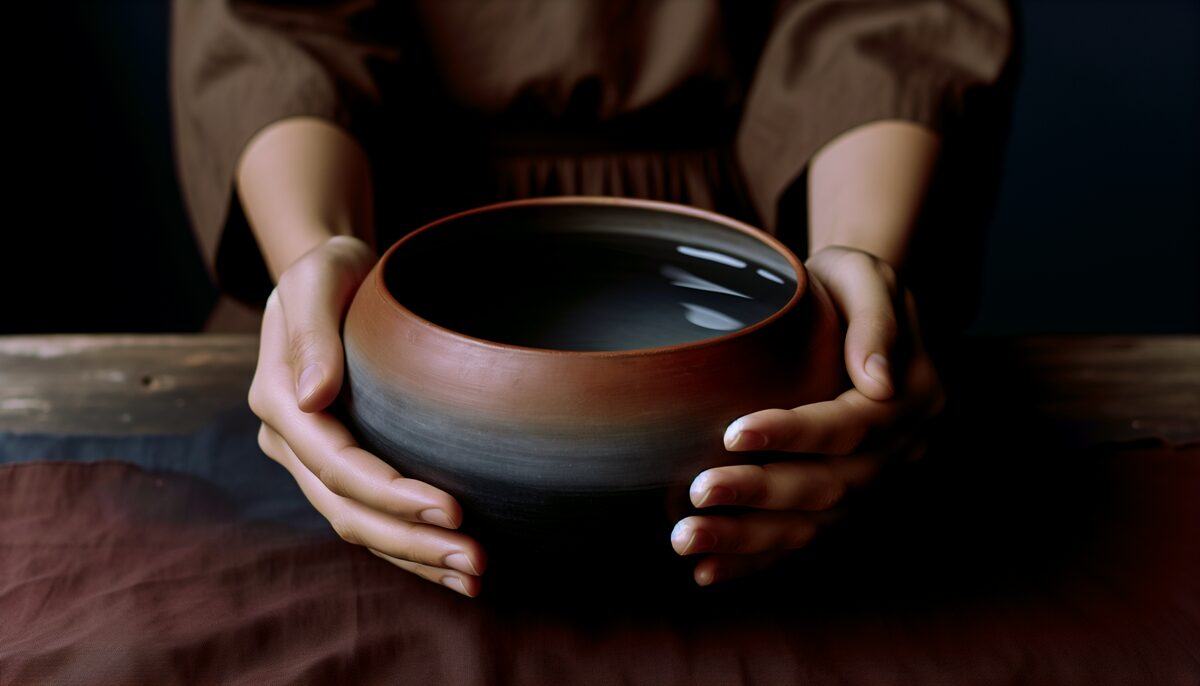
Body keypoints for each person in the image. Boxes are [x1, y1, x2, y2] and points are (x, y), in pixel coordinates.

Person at [172, 0, 1013, 597]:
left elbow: (886, 23)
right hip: (383, 246)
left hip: (765, 226)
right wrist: (319, 257)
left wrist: (854, 273)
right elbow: (276, 25)